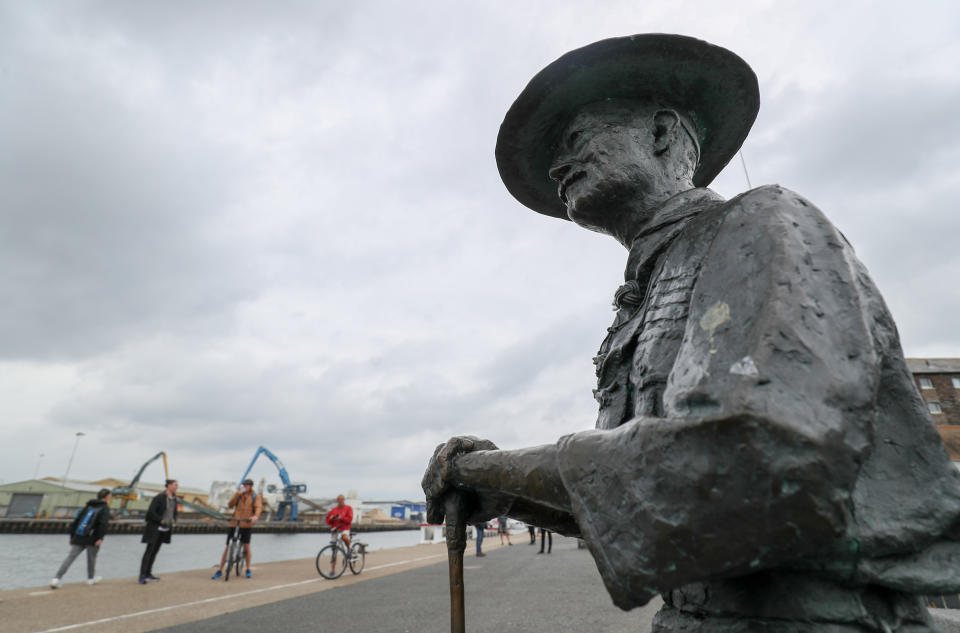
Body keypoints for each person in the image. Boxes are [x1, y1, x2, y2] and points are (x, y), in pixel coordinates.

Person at [423, 34, 960, 632]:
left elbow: (750, 456)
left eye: (575, 140)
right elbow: (656, 492)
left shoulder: (761, 223)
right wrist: (505, 488)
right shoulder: (640, 297)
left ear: (659, 133)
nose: (557, 167)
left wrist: (488, 474)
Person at [50, 488, 112, 588]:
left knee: (70, 558)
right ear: (107, 497)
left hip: (79, 536)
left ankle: (56, 578)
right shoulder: (104, 508)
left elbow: (77, 520)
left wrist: (72, 536)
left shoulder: (88, 505)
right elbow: (103, 524)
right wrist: (100, 538)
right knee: (91, 559)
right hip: (92, 537)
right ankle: (90, 579)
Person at [211, 478, 262, 579]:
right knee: (228, 545)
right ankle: (220, 569)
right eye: (244, 485)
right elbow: (230, 505)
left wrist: (255, 516)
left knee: (246, 545)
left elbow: (258, 507)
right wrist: (237, 494)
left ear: (251, 486)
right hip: (235, 522)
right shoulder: (238, 495)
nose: (245, 487)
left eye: (247, 485)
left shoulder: (255, 496)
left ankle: (247, 568)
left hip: (247, 523)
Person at [139, 479, 177, 584]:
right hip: (155, 528)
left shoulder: (174, 499)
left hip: (165, 529)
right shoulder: (159, 498)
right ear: (168, 486)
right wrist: (161, 520)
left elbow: (174, 512)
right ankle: (142, 575)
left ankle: (148, 573)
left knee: (155, 551)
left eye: (176, 485)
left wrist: (173, 519)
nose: (176, 487)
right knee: (149, 551)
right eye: (175, 485)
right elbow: (151, 512)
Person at [325, 494, 353, 572]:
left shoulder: (348, 508)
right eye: (339, 500)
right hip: (335, 529)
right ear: (337, 500)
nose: (341, 501)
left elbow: (349, 519)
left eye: (342, 499)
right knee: (334, 551)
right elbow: (327, 521)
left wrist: (342, 518)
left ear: (344, 500)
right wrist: (331, 519)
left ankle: (349, 549)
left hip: (344, 528)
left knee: (344, 537)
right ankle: (332, 570)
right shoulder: (333, 510)